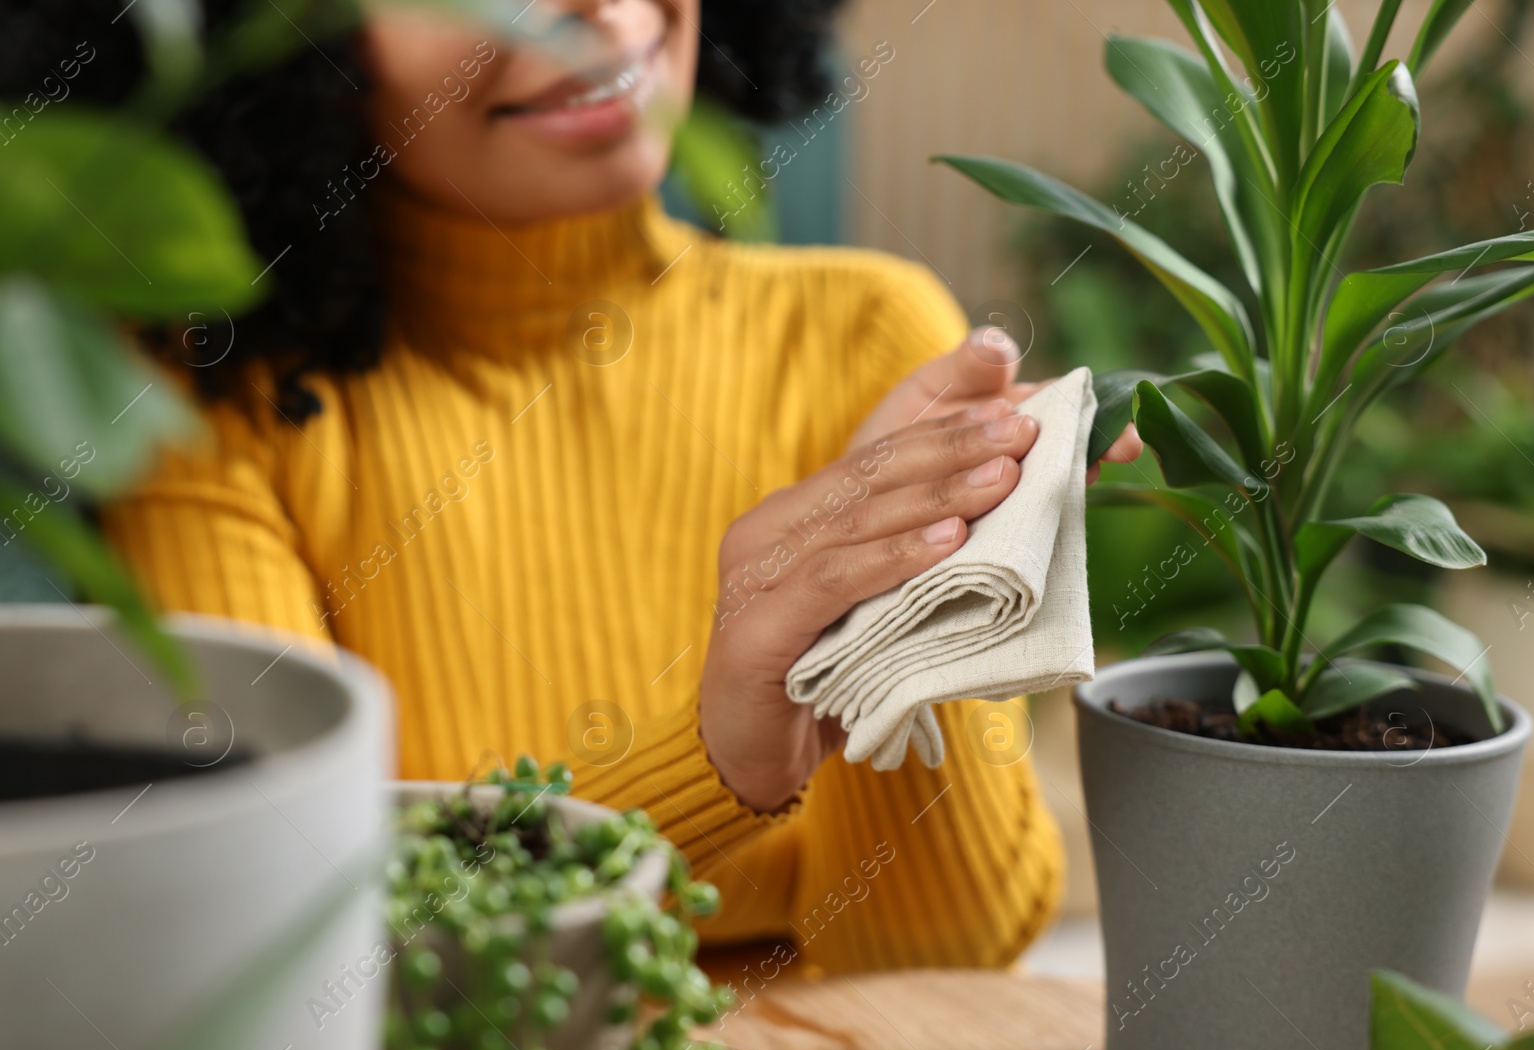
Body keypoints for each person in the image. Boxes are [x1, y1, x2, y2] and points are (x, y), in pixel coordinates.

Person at [17, 0, 1140, 971]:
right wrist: (720, 757)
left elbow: (944, 951)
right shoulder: (203, 409)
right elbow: (303, 939)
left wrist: (904, 633)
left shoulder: (868, 331)